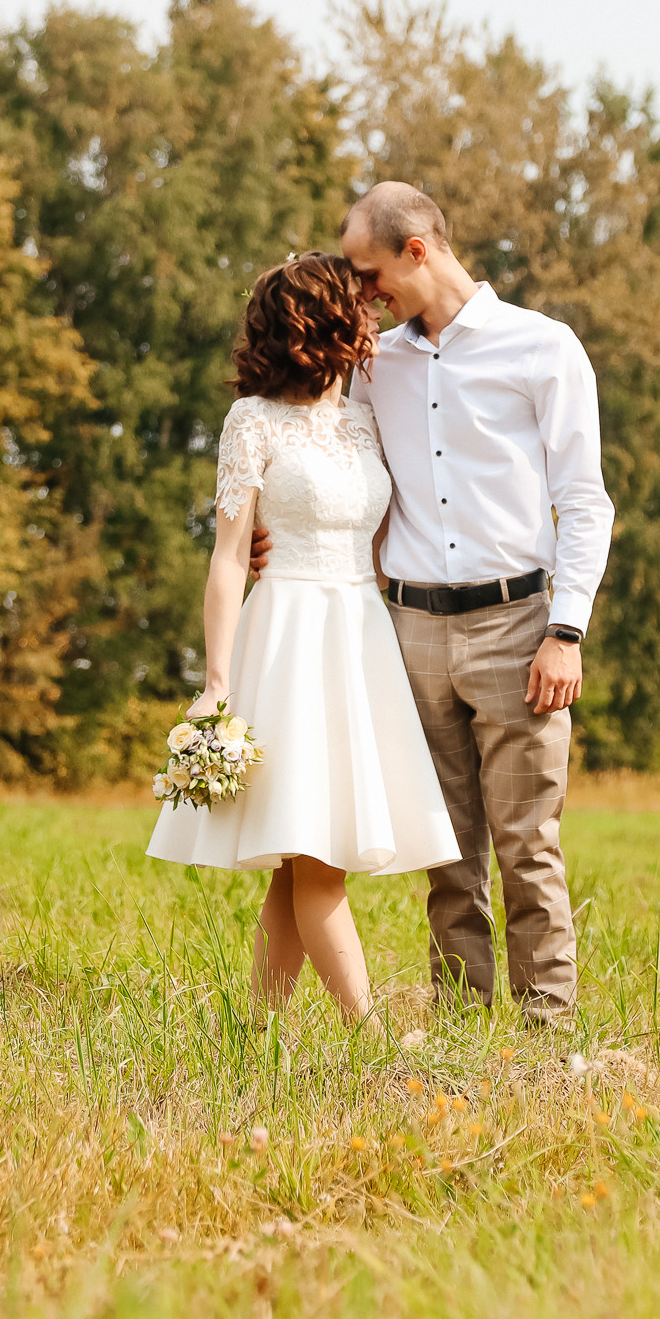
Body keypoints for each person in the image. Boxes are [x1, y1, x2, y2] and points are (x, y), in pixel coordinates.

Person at [147, 254, 459, 1033]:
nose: (375, 315)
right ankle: (376, 1040)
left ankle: (250, 1039)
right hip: (287, 638)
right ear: (322, 322)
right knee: (318, 861)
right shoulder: (250, 421)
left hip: (358, 639)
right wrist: (217, 680)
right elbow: (226, 557)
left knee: (297, 860)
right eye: (361, 307)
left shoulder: (364, 418)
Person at [331, 181, 614, 1028]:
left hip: (520, 625)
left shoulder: (543, 347)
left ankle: (543, 1034)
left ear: (418, 249)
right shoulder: (373, 363)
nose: (360, 292)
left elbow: (585, 499)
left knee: (529, 846)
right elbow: (343, 473)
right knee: (444, 850)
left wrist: (566, 631)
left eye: (368, 271)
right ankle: (459, 1027)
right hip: (412, 629)